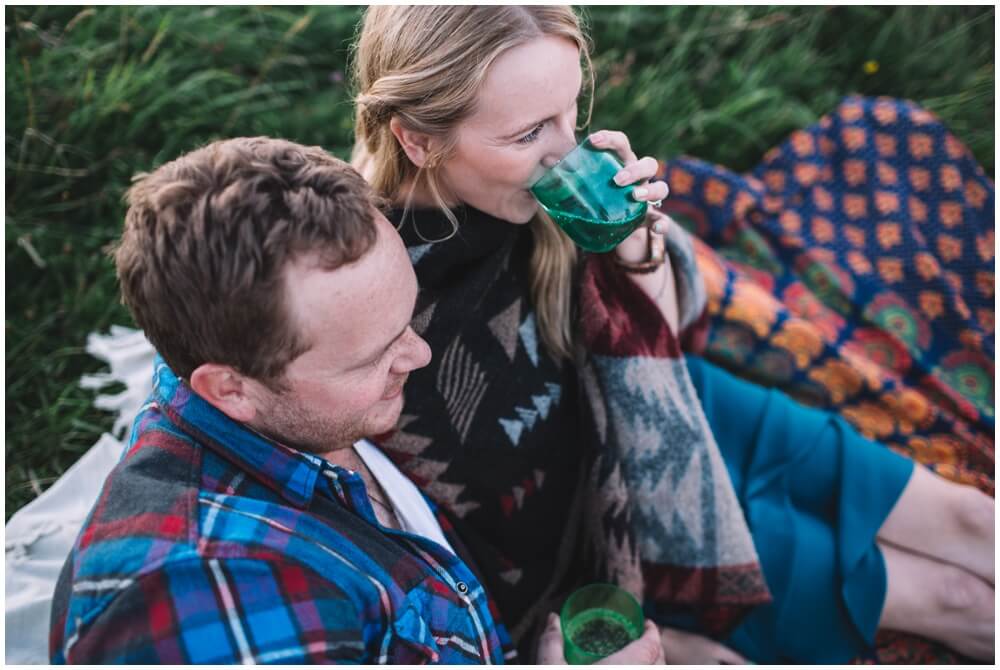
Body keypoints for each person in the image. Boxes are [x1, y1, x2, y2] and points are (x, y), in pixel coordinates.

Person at [349, 5, 995, 664]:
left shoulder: (547, 200)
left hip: (685, 406)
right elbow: (450, 539)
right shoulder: (365, 300)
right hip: (643, 520)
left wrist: (642, 253)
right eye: (529, 133)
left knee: (977, 520)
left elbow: (673, 327)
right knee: (959, 601)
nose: (567, 152)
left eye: (573, 113)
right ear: (418, 140)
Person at [46, 136, 665, 665]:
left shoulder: (272, 382)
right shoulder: (205, 599)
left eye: (406, 319)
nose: (419, 357)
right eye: (371, 356)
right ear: (230, 388)